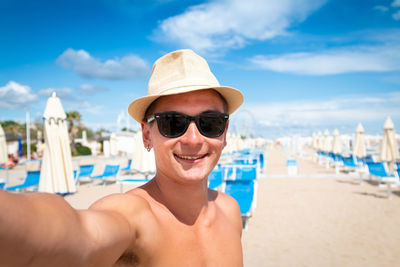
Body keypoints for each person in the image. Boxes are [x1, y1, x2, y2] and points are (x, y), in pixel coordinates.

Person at [0, 49, 244, 266]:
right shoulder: (133, 216)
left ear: (224, 132)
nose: (193, 139)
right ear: (147, 135)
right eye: (173, 123)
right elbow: (77, 234)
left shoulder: (230, 210)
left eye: (210, 123)